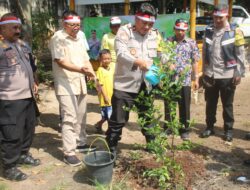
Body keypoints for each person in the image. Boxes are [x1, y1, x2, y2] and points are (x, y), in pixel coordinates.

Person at [105, 3, 162, 157]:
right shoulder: (125, 31)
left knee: (147, 117)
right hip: (125, 86)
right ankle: (111, 149)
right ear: (136, 19)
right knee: (118, 120)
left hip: (146, 84)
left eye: (150, 24)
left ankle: (152, 144)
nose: (147, 27)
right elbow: (121, 53)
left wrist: (166, 63)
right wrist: (138, 62)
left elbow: (160, 53)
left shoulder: (154, 34)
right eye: (144, 23)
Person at [48, 10, 96, 167]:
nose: (76, 28)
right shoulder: (58, 38)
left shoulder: (80, 36)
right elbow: (60, 61)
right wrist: (82, 70)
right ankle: (69, 152)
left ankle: (81, 143)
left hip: (80, 82)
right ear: (64, 24)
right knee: (69, 117)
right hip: (65, 83)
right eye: (73, 25)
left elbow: (86, 59)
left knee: (81, 115)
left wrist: (92, 74)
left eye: (78, 25)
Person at [0, 13, 40, 181]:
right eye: (14, 28)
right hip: (9, 98)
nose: (18, 31)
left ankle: (23, 155)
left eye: (19, 27)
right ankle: (8, 167)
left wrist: (35, 82)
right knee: (11, 133)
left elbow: (31, 65)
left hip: (28, 96)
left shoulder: (22, 44)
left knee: (28, 128)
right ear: (2, 28)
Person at [200, 4, 245, 142]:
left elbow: (240, 54)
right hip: (211, 74)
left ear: (227, 16)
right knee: (210, 103)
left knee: (227, 104)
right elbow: (204, 51)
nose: (217, 20)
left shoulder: (235, 31)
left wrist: (238, 72)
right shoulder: (208, 30)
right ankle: (209, 127)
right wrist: (203, 71)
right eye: (215, 17)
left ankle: (228, 130)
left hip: (227, 74)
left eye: (220, 17)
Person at [164, 19, 200, 140]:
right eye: (178, 29)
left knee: (185, 106)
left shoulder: (191, 43)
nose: (180, 32)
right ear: (174, 29)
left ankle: (184, 130)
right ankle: (168, 128)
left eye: (183, 30)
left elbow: (195, 62)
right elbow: (163, 58)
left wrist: (196, 79)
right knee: (169, 105)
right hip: (170, 80)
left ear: (186, 30)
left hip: (185, 80)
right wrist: (168, 63)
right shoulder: (168, 41)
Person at [95, 49, 114, 134]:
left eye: (108, 58)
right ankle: (109, 132)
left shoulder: (112, 68)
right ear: (100, 59)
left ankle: (98, 125)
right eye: (105, 59)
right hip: (104, 97)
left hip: (112, 95)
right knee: (109, 116)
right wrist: (105, 96)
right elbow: (100, 85)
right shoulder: (100, 70)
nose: (107, 60)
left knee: (106, 116)